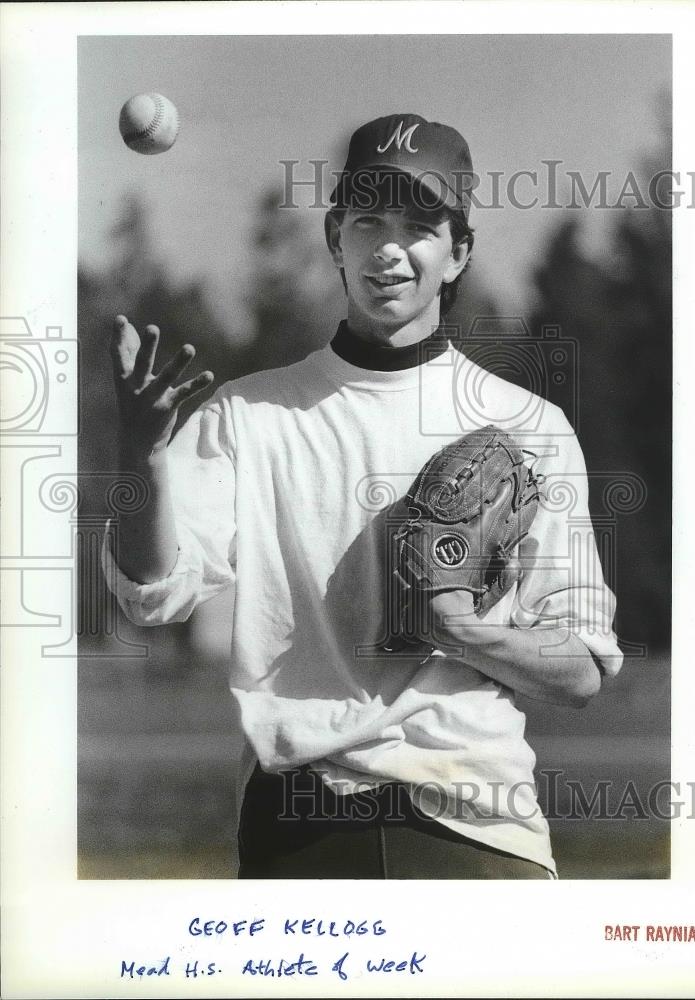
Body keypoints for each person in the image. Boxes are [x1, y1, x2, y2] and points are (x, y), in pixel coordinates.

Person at [103, 113, 623, 879]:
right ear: (334, 236)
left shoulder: (525, 425)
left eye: (419, 225)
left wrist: (460, 629)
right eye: (367, 220)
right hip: (297, 824)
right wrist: (143, 459)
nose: (388, 248)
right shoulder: (249, 416)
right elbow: (151, 595)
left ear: (457, 254)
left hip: (474, 827)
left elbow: (578, 670)